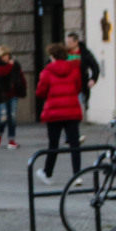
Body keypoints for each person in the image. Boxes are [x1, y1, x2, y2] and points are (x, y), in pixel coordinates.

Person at [35, 43, 84, 185]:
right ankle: (77, 175)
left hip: (54, 112)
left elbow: (40, 92)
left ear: (53, 57)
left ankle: (47, 173)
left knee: (53, 144)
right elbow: (78, 87)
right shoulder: (74, 70)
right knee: (75, 144)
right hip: (72, 111)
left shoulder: (46, 72)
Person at [0, 46, 24, 149]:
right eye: (3, 56)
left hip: (13, 94)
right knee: (3, 117)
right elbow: (0, 73)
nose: (6, 58)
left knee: (12, 117)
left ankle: (11, 139)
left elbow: (20, 77)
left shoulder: (15, 65)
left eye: (7, 55)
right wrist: (10, 66)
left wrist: (22, 88)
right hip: (1, 95)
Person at [66, 32, 100, 114]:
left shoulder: (84, 53)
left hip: (81, 84)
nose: (68, 44)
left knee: (79, 105)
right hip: (67, 84)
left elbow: (95, 67)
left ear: (76, 42)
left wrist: (93, 79)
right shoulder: (65, 53)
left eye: (70, 42)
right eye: (67, 42)